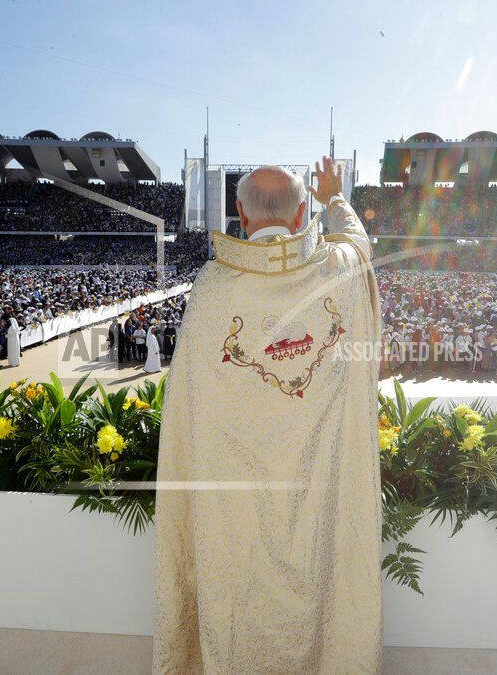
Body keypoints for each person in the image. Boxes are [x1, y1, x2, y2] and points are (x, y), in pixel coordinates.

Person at [153, 158, 383, 672]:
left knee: (240, 592)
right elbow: (359, 245)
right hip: (316, 493)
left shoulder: (213, 286)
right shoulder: (337, 270)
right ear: (302, 212)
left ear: (240, 213)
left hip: (237, 502)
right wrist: (337, 198)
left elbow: (193, 398)